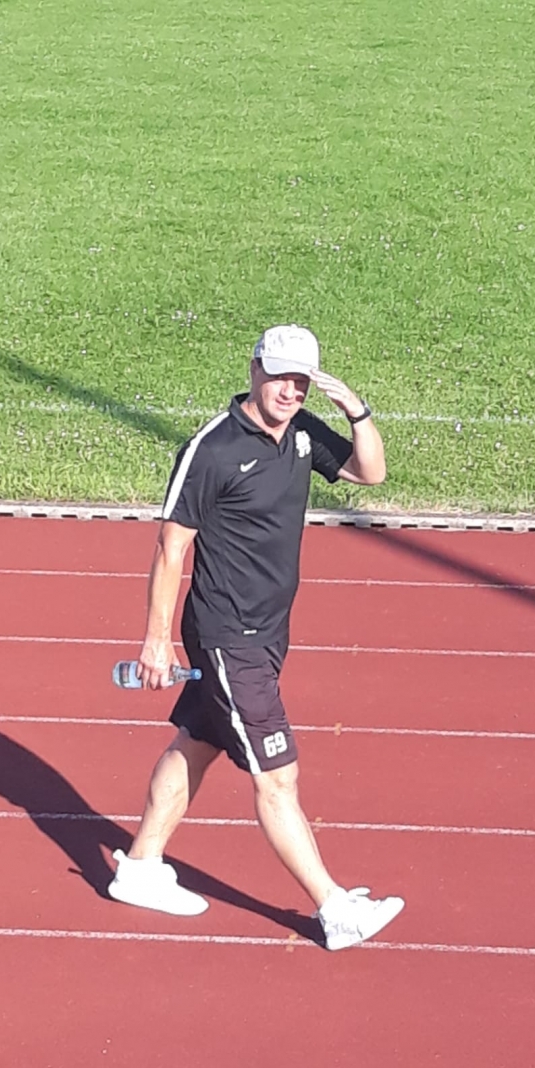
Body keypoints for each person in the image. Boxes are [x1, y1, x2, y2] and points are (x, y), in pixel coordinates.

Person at [108, 324, 404, 950]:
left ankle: (140, 867)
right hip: (227, 635)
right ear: (254, 370)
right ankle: (333, 910)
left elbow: (370, 473)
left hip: (268, 631)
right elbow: (170, 548)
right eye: (279, 377)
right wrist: (156, 641)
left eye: (301, 381)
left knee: (198, 742)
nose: (289, 391)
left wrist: (356, 410)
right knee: (278, 776)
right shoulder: (212, 449)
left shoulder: (302, 433)